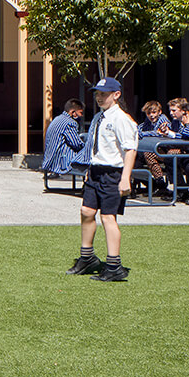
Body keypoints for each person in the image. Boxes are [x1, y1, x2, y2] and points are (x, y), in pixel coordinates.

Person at [68, 77, 137, 283]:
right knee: (86, 211)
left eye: (104, 94)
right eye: (97, 94)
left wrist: (125, 178)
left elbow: (130, 149)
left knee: (108, 217)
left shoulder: (121, 119)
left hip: (112, 174)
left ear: (116, 95)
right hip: (96, 171)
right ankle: (87, 258)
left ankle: (114, 265)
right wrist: (91, 166)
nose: (99, 97)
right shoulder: (100, 117)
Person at [40, 98, 87, 176]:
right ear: (73, 112)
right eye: (80, 113)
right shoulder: (70, 122)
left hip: (50, 160)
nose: (81, 116)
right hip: (60, 162)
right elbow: (76, 144)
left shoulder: (57, 119)